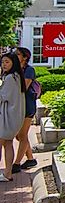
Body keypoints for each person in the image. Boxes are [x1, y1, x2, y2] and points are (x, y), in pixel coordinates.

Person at [0, 51, 26, 182]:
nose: (4, 65)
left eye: (7, 62)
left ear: (13, 63)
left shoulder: (10, 78)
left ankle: (7, 172)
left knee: (4, 144)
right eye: (3, 62)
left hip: (5, 118)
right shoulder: (17, 76)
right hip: (13, 118)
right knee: (8, 144)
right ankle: (7, 173)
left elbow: (3, 96)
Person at [12, 47, 38, 173]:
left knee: (21, 135)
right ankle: (30, 158)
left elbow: (24, 87)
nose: (15, 56)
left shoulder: (29, 70)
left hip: (27, 105)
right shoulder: (15, 70)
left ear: (25, 57)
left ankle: (16, 163)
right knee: (19, 135)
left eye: (17, 54)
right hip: (17, 106)